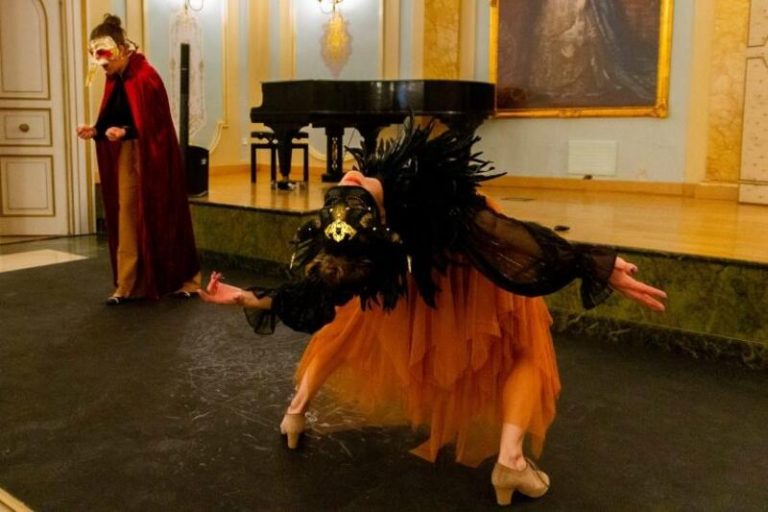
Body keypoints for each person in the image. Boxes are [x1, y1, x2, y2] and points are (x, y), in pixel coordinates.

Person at [199, 120, 667, 506]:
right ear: (376, 230)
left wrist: (598, 265)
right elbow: (509, 236)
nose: (347, 180)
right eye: (347, 190)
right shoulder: (415, 209)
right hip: (465, 257)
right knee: (523, 347)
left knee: (352, 327)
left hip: (445, 257)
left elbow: (314, 292)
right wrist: (595, 264)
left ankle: (296, 414)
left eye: (345, 189)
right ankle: (511, 461)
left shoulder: (353, 231)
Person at [76, 14, 200, 305]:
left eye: (107, 61)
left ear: (121, 49)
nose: (105, 68)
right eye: (100, 64)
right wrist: (96, 130)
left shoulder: (146, 77)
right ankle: (127, 284)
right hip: (128, 155)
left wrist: (127, 130)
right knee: (127, 216)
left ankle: (186, 280)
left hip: (153, 158)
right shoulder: (115, 78)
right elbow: (114, 115)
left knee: (163, 213)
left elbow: (153, 125)